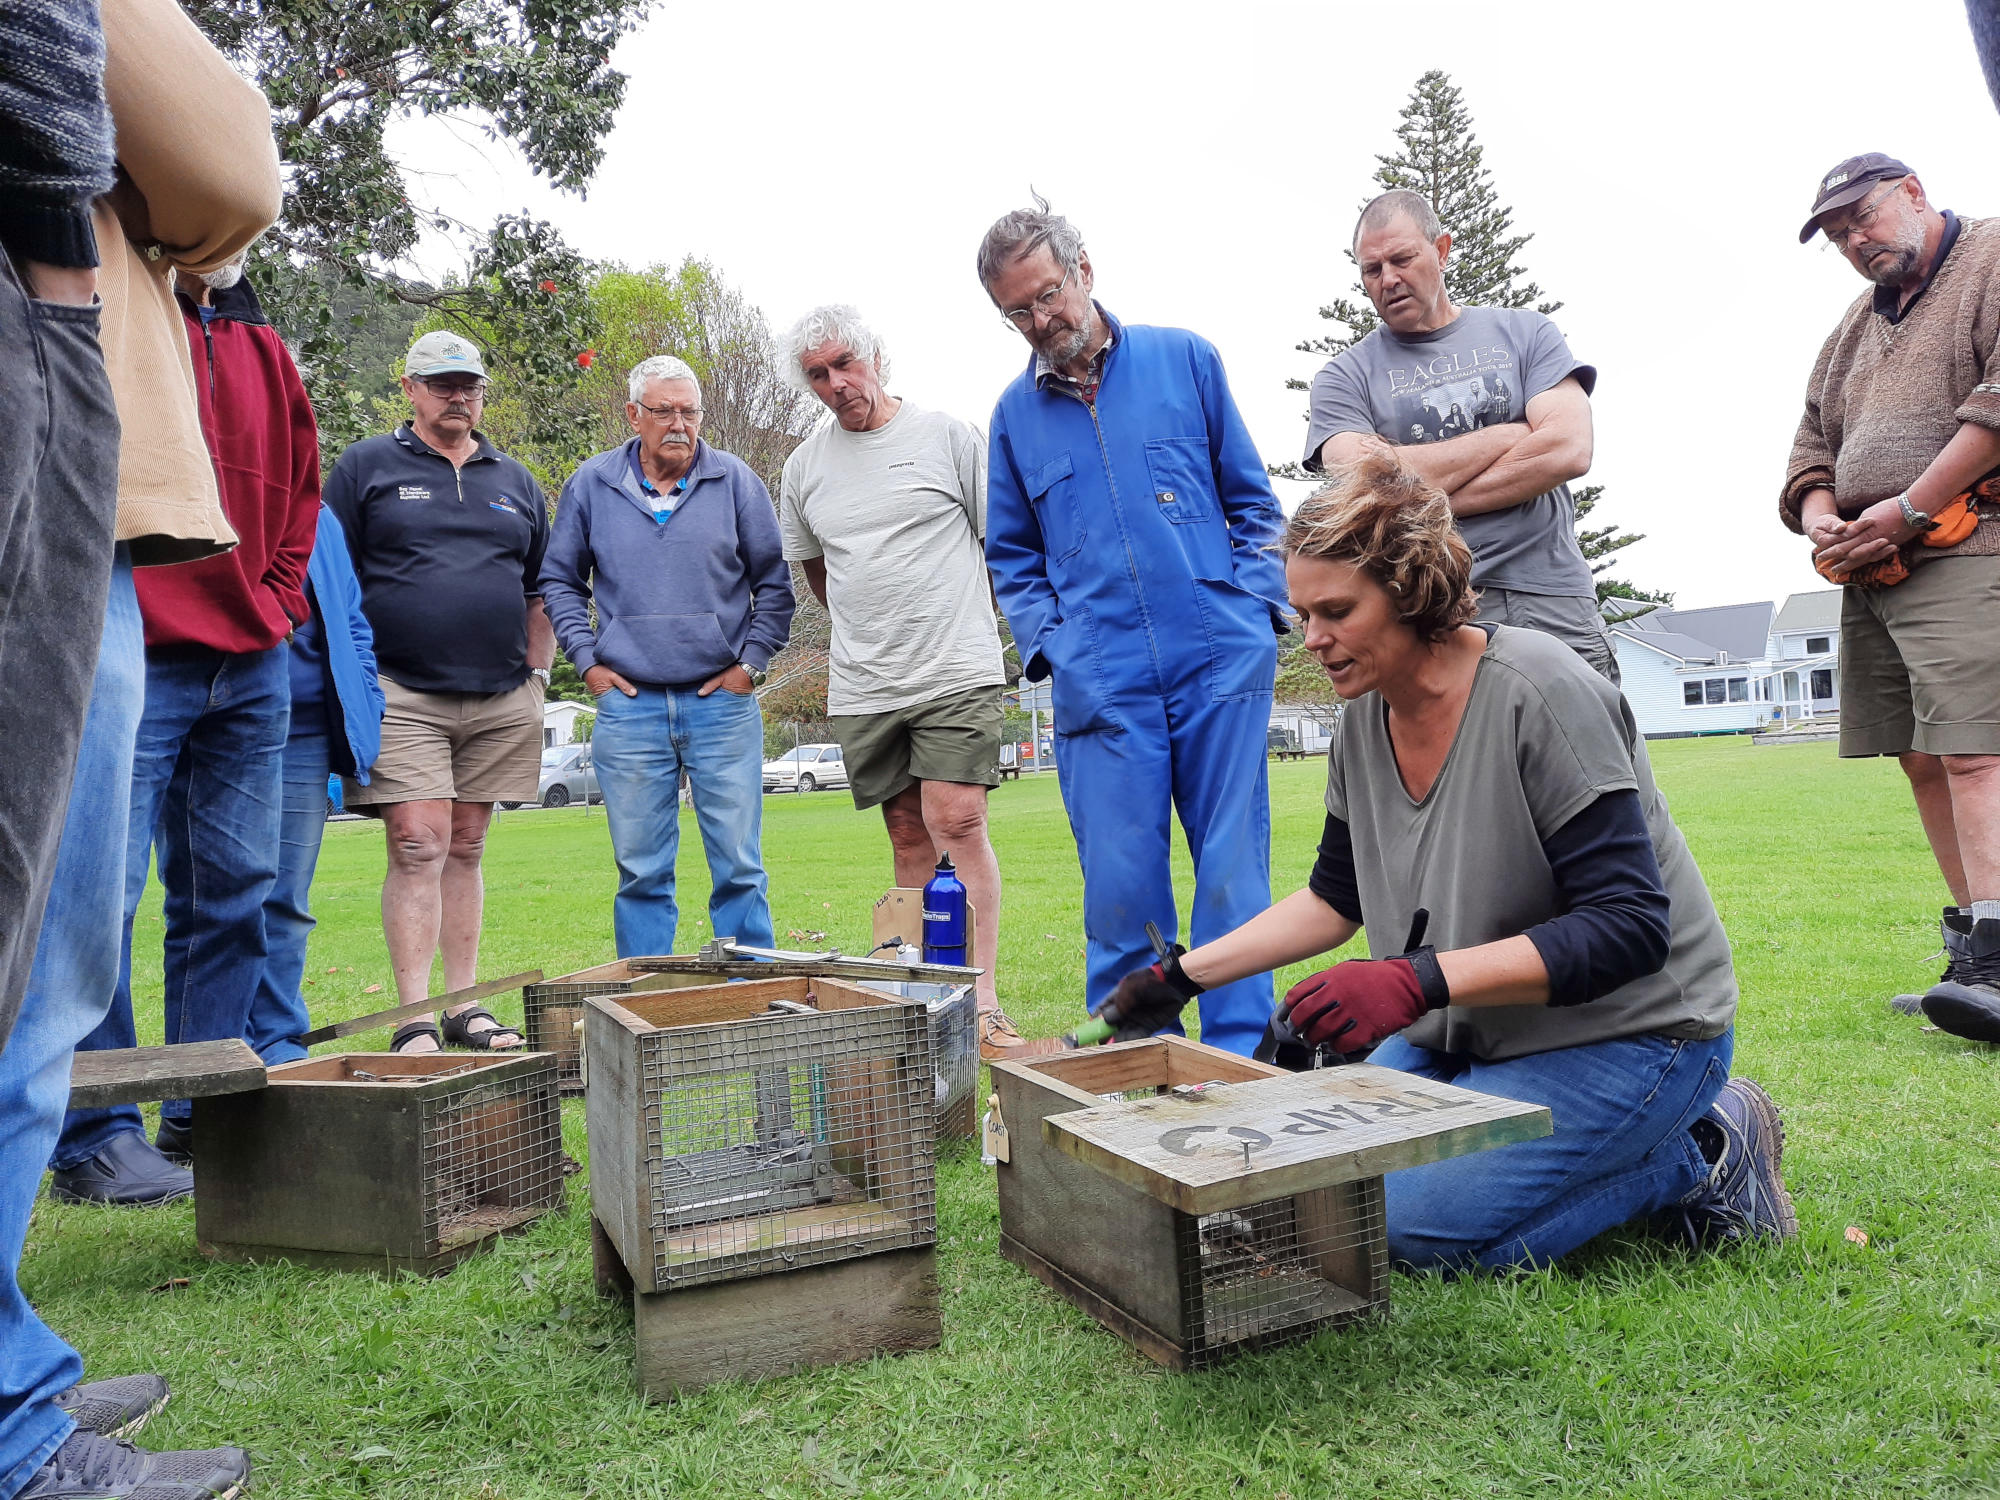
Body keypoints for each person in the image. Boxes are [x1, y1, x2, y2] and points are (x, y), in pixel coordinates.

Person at [1098, 449, 1796, 1269]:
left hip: (1631, 1036)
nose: (1312, 639)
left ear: (1409, 590)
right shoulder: (1364, 718)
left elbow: (1628, 929)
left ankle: (1708, 1149)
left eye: (1336, 611)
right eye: (1302, 613)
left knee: (1397, 1230)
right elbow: (1334, 897)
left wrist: (1411, 981)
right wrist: (1180, 978)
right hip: (1469, 1030)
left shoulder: (1537, 688)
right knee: (1313, 1188)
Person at [1, 0, 275, 1491]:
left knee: (51, 961)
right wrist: (130, 240)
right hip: (39, 467)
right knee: (36, 972)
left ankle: (11, 1369)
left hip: (71, 484)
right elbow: (230, 167)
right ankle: (9, 1437)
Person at [979, 197, 1290, 1057]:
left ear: (1084, 271)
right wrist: (1059, 651)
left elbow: (1254, 504)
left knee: (1232, 872)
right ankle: (1134, 1065)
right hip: (1102, 681)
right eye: (1018, 312)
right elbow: (1011, 558)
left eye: (1048, 296)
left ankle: (1241, 1056)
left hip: (1220, 661)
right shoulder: (1011, 419)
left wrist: (1258, 611)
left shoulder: (1186, 360)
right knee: (1121, 891)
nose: (1041, 321)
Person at [51, 258, 318, 1198]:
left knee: (234, 889)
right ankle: (93, 1133)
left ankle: (202, 1108)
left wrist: (278, 602)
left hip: (249, 660)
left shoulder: (261, 345)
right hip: (134, 647)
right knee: (101, 896)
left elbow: (301, 490)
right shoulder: (114, 312)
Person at [1783, 155, 2000, 1043]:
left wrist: (1911, 509)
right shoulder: (1849, 329)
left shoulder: (1991, 259)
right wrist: (1823, 517)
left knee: (1975, 754)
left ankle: (1998, 956)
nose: (1853, 240)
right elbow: (1808, 446)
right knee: (1918, 758)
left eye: (1862, 218)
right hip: (1875, 567)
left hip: (1970, 543)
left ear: (1913, 192)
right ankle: (1973, 954)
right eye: (1836, 234)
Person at [776, 307, 1019, 1052]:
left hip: (953, 668)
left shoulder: (948, 438)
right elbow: (819, 575)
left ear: (877, 356)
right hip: (867, 683)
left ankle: (981, 1003)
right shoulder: (804, 470)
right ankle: (920, 1004)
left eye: (846, 363)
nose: (837, 382)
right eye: (818, 373)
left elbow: (999, 540)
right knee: (909, 835)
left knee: (958, 821)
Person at [326, 332, 552, 1054]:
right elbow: (330, 579)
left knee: (467, 843)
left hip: (499, 695)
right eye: (443, 383)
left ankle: (465, 1006)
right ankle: (413, 1017)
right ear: (410, 388)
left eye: (470, 385)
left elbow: (540, 591)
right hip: (402, 691)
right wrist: (354, 685)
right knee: (417, 841)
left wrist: (539, 679)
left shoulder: (515, 481)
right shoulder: (365, 467)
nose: (459, 396)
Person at [1304, 189, 1617, 682]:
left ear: (1442, 249)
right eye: (1372, 269)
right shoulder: (1344, 377)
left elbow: (1568, 450)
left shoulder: (1527, 333)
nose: (1389, 279)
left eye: (1402, 259)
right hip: (1424, 609)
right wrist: (1507, 436)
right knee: (1450, 760)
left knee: (1588, 755)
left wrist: (1409, 491)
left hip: (1549, 596)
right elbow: (1360, 482)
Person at [539, 355, 793, 956]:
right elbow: (559, 580)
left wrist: (751, 664)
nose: (679, 424)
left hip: (721, 706)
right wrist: (587, 661)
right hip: (630, 708)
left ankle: (750, 997)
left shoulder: (735, 481)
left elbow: (774, 584)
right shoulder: (592, 484)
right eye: (663, 411)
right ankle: (646, 1002)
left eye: (689, 411)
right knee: (641, 873)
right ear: (634, 415)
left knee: (739, 866)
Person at [246, 504, 384, 1066]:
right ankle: (202, 1068)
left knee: (286, 900)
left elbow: (351, 617)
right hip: (226, 721)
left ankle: (278, 1041)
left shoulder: (318, 515)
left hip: (303, 730)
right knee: (215, 900)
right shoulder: (222, 488)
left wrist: (366, 699)